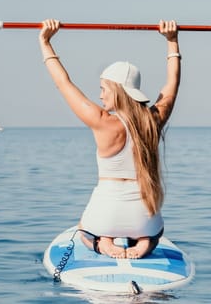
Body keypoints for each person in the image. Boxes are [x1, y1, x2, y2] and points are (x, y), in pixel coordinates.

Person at [38, 18, 181, 259]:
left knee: (84, 230)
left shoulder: (102, 121)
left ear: (116, 90)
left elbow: (63, 83)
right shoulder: (153, 121)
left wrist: (45, 42)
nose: (100, 94)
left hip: (105, 214)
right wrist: (172, 42)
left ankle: (103, 242)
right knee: (156, 231)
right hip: (144, 217)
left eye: (103, 88)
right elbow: (172, 85)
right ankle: (146, 241)